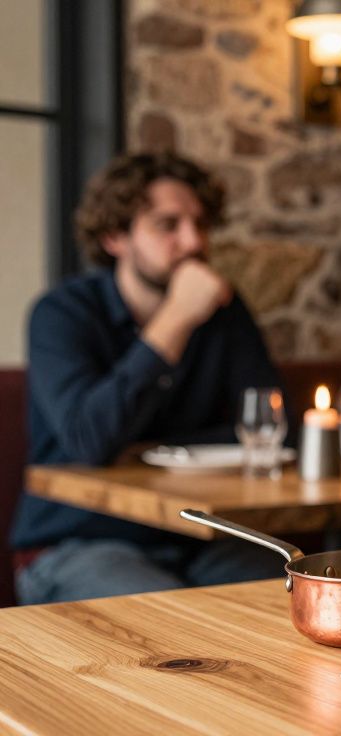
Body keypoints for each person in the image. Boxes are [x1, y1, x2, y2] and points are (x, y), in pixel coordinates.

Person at [10, 152, 287, 604]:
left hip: (197, 537)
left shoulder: (224, 312)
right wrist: (177, 317)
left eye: (200, 223)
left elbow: (273, 423)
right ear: (115, 236)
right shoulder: (61, 314)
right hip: (77, 540)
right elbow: (90, 439)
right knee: (169, 626)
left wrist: (153, 450)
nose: (194, 241)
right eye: (168, 225)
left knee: (292, 598)